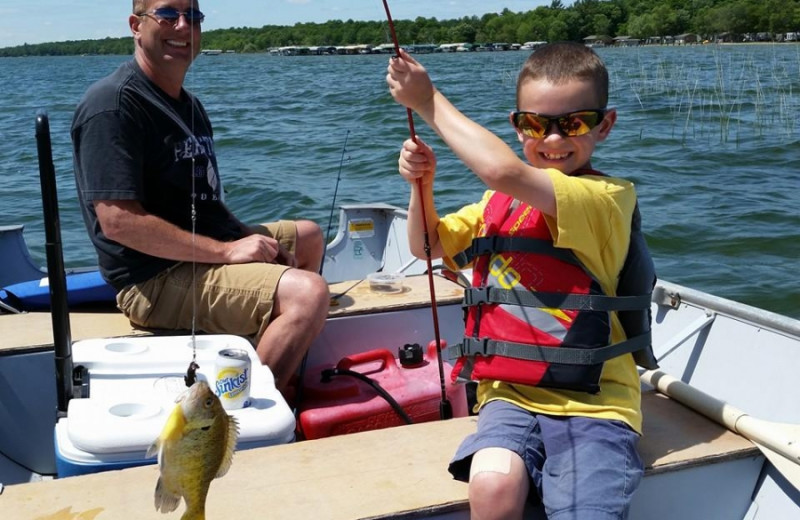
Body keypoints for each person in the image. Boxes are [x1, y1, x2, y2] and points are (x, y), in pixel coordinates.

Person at [387, 42, 657, 519]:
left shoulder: (607, 199)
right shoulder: (498, 207)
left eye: (572, 123)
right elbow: (428, 247)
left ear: (604, 125)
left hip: (596, 407)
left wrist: (427, 101)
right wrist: (421, 188)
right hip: (508, 395)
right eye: (534, 125)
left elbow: (498, 169)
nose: (552, 140)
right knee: (491, 483)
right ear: (517, 126)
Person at [70, 0, 329, 394]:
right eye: (167, 14)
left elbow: (205, 198)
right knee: (308, 294)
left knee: (307, 235)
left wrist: (244, 236)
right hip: (152, 280)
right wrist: (227, 253)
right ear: (136, 26)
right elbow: (118, 221)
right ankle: (247, 413)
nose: (182, 26)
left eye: (192, 17)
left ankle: (278, 365)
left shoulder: (187, 105)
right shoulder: (114, 105)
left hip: (198, 253)